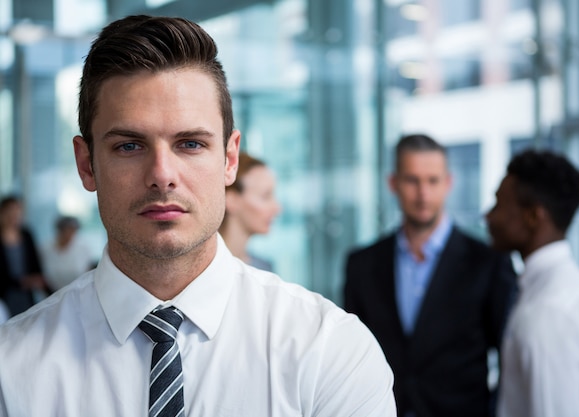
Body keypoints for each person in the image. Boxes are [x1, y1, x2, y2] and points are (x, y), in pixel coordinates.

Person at [0, 15, 395, 416]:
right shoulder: (11, 369)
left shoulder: (328, 352)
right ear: (87, 165)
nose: (162, 176)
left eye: (189, 143)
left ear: (229, 158)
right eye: (129, 146)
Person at [344, 133, 517, 417]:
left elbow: (510, 360)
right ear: (393, 184)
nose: (423, 193)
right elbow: (351, 354)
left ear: (448, 183)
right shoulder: (362, 265)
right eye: (412, 180)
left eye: (433, 181)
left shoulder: (488, 263)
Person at [485, 148, 579, 417]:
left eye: (499, 204)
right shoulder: (565, 289)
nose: (489, 216)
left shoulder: (549, 310)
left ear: (533, 216)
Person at [219, 152, 281, 271]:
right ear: (231, 200)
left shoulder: (264, 269)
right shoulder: (204, 272)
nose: (277, 208)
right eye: (265, 196)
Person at [0, 195, 47, 317]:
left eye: (17, 210)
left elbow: (35, 263)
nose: (14, 214)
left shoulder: (26, 234)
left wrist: (35, 279)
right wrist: (21, 282)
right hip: (6, 292)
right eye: (11, 210)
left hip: (28, 291)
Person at [41, 215, 93, 291]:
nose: (70, 234)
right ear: (60, 230)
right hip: (51, 292)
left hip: (78, 291)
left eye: (73, 230)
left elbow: (88, 272)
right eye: (68, 230)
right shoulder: (45, 248)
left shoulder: (83, 248)